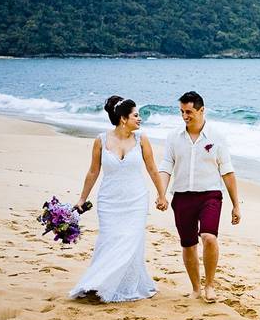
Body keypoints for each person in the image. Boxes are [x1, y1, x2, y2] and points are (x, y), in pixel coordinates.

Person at [70, 96, 168, 302]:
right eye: (136, 115)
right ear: (123, 119)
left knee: (130, 241)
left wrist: (161, 195)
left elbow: (152, 169)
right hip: (109, 200)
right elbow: (93, 172)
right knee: (110, 241)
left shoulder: (142, 139)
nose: (139, 119)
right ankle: (98, 282)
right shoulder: (101, 140)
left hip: (136, 200)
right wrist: (81, 199)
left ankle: (117, 285)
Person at [158, 91, 241, 302]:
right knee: (188, 245)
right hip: (182, 196)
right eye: (182, 112)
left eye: (189, 112)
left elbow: (227, 171)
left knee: (209, 237)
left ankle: (210, 286)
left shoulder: (217, 137)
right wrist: (161, 194)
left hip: (210, 195)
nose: (185, 116)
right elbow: (167, 166)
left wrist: (236, 205)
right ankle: (196, 288)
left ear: (202, 110)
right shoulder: (173, 137)